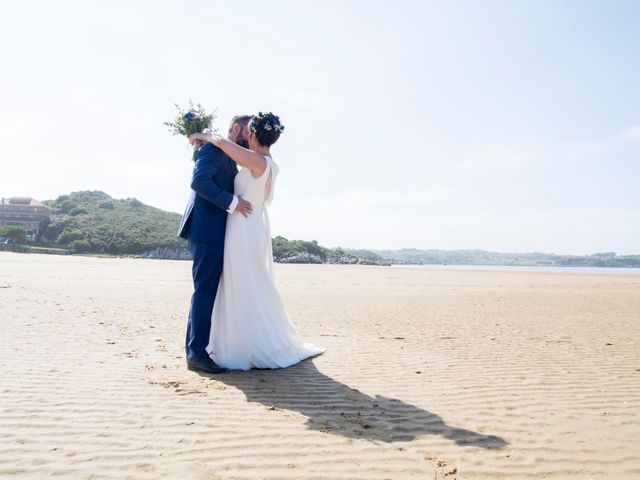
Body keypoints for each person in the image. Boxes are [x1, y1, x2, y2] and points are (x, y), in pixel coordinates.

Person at [189, 112, 325, 370]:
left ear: (251, 134)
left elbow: (220, 141)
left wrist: (200, 135)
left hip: (242, 227)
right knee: (249, 284)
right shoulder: (268, 161)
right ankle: (235, 341)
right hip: (250, 226)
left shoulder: (254, 159)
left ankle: (240, 344)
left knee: (243, 285)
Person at [178, 115, 253, 374]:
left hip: (212, 230)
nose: (251, 133)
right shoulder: (213, 149)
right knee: (205, 291)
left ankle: (195, 349)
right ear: (236, 128)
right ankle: (196, 354)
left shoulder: (227, 153)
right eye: (249, 129)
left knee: (205, 291)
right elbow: (199, 182)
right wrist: (233, 202)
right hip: (205, 229)